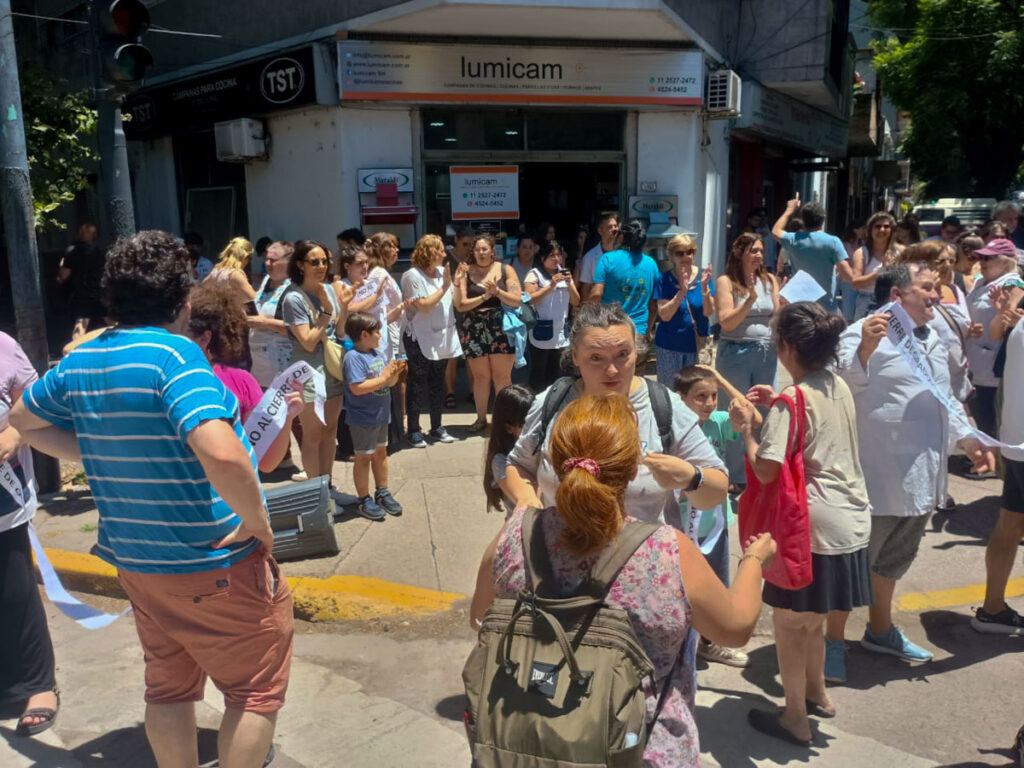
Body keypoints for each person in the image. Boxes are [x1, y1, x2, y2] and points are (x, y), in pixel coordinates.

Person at [10, 230, 292, 768]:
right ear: (183, 301)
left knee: (168, 689)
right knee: (254, 692)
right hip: (214, 561)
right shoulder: (176, 356)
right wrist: (258, 519)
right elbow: (225, 454)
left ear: (112, 298)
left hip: (138, 564)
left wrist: (95, 455)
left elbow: (23, 420)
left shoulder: (83, 361)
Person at [470, 394, 775, 767]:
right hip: (641, 749)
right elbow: (736, 627)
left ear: (555, 464)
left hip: (526, 750)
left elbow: (480, 619)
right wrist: (754, 560)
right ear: (632, 470)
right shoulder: (665, 551)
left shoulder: (515, 534)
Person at [833, 263, 992, 665]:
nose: (936, 296)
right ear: (896, 296)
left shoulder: (932, 337)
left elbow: (944, 397)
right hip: (879, 475)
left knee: (892, 562)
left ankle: (880, 630)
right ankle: (830, 643)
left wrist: (968, 439)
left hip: (923, 474)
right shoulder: (861, 333)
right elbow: (838, 385)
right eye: (926, 288)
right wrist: (865, 353)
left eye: (936, 288)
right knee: (852, 565)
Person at [731, 302, 873, 746]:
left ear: (787, 348)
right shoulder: (836, 385)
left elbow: (768, 469)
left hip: (810, 527)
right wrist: (770, 412)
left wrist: (747, 432)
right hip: (851, 521)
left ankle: (795, 716)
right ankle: (817, 693)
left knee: (791, 623)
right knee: (813, 619)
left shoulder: (793, 400)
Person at [504, 302, 728, 523]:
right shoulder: (550, 403)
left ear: (636, 351)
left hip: (644, 554)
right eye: (596, 357)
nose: (611, 370)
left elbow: (717, 488)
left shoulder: (663, 406)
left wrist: (691, 477)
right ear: (575, 356)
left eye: (622, 354)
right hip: (558, 552)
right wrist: (527, 501)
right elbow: (519, 463)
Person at [674, 364, 762, 668]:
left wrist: (722, 380)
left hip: (716, 522)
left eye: (713, 396)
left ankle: (709, 644)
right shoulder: (672, 428)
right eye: (701, 396)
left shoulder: (719, 421)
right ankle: (678, 645)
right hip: (683, 524)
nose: (710, 403)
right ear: (680, 398)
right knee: (682, 587)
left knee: (715, 585)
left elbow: (754, 416)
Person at [0, 332, 59, 737]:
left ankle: (37, 685)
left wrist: (14, 435)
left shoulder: (2, 346)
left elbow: (38, 404)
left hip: (4, 495)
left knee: (13, 589)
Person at [187, 281, 303, 473]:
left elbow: (265, 461)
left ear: (204, 338)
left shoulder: (241, 381)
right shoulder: (159, 378)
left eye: (180, 332)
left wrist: (287, 416)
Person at [974, 280, 1024, 632]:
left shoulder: (1019, 323)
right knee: (1010, 526)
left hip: (1015, 442)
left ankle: (993, 609)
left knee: (1010, 524)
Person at [281, 240, 352, 482]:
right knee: (312, 435)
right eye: (314, 262)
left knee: (330, 433)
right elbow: (308, 342)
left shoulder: (329, 290)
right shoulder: (294, 298)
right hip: (308, 374)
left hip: (332, 367)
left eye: (324, 261)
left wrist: (343, 308)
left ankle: (327, 486)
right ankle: (316, 496)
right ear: (300, 265)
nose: (321, 266)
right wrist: (326, 311)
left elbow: (339, 332)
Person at [713, 232, 779, 485]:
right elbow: (727, 323)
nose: (759, 255)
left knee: (763, 411)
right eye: (754, 251)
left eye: (761, 251)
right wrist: (749, 300)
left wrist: (784, 303)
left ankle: (759, 470)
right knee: (736, 412)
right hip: (735, 352)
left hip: (766, 352)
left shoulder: (769, 279)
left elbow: (776, 314)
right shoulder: (725, 282)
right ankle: (733, 473)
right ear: (740, 253)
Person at [453, 234, 521, 432]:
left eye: (485, 249)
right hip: (473, 326)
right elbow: (460, 305)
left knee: (502, 377)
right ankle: (481, 418)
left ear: (492, 251)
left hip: (500, 326)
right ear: (473, 252)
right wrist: (485, 295)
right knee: (480, 377)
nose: (481, 253)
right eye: (477, 250)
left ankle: (503, 420)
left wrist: (497, 293)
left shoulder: (505, 269)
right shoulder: (465, 272)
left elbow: (516, 300)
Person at [401, 234, 462, 448]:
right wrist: (445, 286)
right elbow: (424, 306)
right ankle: (414, 431)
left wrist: (458, 283)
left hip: (441, 337)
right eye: (441, 250)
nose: (445, 254)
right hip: (418, 337)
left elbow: (456, 303)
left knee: (438, 383)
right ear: (430, 252)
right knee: (417, 384)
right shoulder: (412, 276)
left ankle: (436, 426)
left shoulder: (441, 274)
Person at [342, 312, 404, 521]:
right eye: (376, 331)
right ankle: (363, 498)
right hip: (363, 418)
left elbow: (389, 382)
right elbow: (357, 387)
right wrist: (385, 377)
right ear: (364, 334)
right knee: (363, 457)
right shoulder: (353, 358)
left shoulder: (376, 354)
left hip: (380, 415)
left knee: (380, 453)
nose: (380, 335)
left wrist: (394, 374)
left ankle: (382, 491)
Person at [965, 237, 1024, 444]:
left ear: (1006, 262)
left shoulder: (1013, 283)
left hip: (992, 362)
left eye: (989, 258)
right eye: (981, 257)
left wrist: (1002, 311)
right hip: (975, 357)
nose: (982, 261)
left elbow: (1005, 320)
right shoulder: (981, 281)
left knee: (991, 416)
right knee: (980, 412)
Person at [773, 197, 853, 312]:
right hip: (825, 308)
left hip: (801, 307)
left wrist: (790, 210)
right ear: (823, 219)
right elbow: (848, 276)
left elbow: (775, 231)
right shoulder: (833, 242)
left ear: (803, 220)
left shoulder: (793, 240)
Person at [654, 235, 714, 387]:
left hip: (697, 346)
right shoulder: (663, 279)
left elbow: (708, 312)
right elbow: (665, 315)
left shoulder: (703, 277)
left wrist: (705, 290)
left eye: (690, 251)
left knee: (697, 393)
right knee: (670, 393)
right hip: (669, 347)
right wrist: (682, 291)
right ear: (671, 256)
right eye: (680, 253)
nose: (686, 256)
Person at [523, 240, 580, 392]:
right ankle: (536, 406)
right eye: (552, 255)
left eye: (558, 255)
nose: (556, 259)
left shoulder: (564, 273)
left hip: (561, 331)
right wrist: (551, 286)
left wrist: (569, 283)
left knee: (558, 373)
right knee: (539, 372)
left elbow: (576, 301)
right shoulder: (534, 274)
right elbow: (530, 298)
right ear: (542, 258)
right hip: (541, 330)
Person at [589, 219, 660, 337]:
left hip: (609, 329)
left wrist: (586, 317)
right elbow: (654, 303)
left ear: (622, 237)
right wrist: (648, 330)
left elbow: (596, 294)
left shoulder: (607, 259)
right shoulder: (651, 264)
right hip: (638, 331)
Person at [482, 384, 534, 517]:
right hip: (521, 529)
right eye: (526, 425)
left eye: (537, 421)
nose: (535, 429)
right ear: (509, 428)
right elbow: (528, 502)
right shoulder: (500, 462)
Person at [248, 241, 294, 388]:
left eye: (273, 260)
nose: (268, 263)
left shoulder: (294, 288)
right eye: (266, 259)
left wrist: (266, 323)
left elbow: (298, 329)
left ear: (288, 262)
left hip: (281, 368)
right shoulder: (266, 280)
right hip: (259, 368)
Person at [57, 222, 106, 340]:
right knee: (112, 321)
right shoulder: (101, 250)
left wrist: (60, 267)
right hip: (101, 293)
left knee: (80, 327)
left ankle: (74, 352)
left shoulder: (72, 251)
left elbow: (63, 275)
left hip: (82, 294)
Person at [445, 227, 477, 409]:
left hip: (470, 311)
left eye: (471, 245)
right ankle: (450, 392)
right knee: (452, 355)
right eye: (465, 244)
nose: (468, 248)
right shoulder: (446, 259)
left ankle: (473, 391)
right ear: (456, 240)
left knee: (471, 355)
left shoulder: (474, 259)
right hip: (451, 311)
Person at [850, 212, 901, 320]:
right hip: (867, 303)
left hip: (894, 301)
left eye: (886, 227)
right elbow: (855, 283)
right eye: (877, 227)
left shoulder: (900, 252)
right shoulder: (862, 253)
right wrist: (882, 270)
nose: (882, 230)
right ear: (870, 230)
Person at [577, 213, 620, 302]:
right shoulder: (590, 257)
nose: (614, 230)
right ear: (600, 231)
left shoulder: (624, 254)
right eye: (610, 227)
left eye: (615, 226)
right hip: (600, 309)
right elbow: (586, 288)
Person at [206, 236, 258, 303]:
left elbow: (201, 288)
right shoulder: (235, 275)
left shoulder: (215, 272)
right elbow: (254, 298)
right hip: (234, 312)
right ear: (244, 257)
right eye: (249, 258)